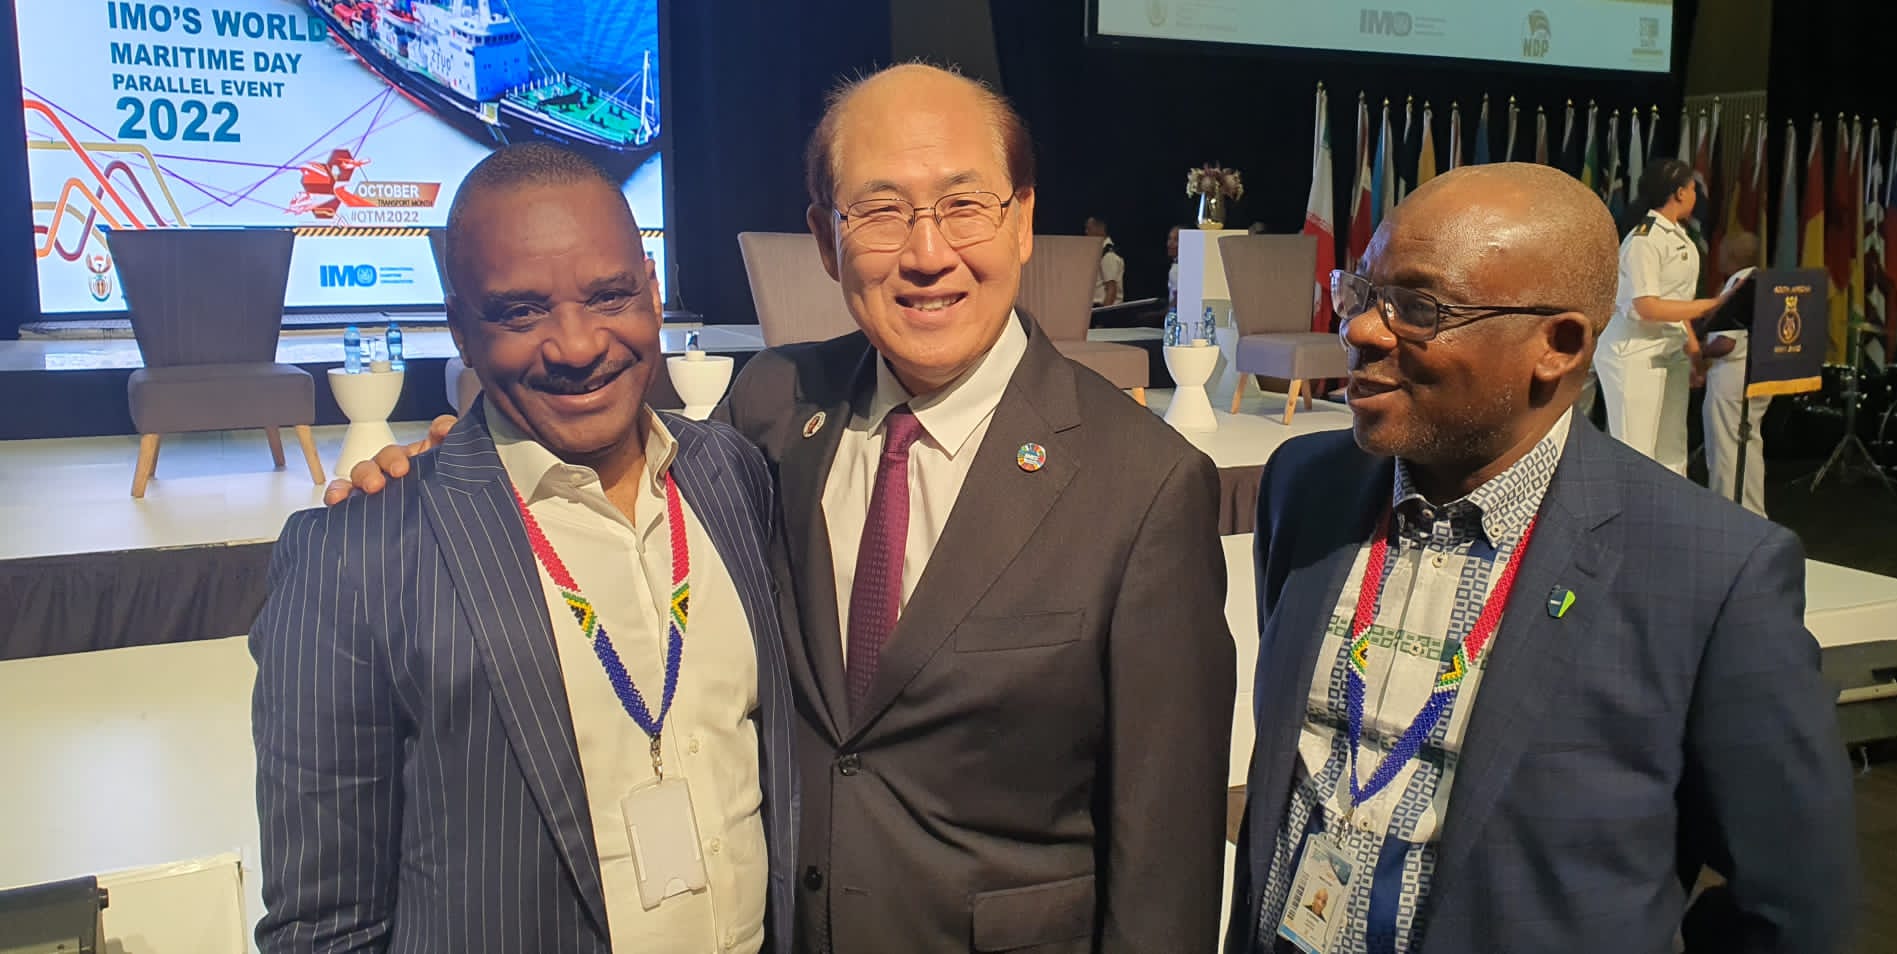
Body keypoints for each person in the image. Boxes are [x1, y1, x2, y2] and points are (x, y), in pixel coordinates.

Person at [330, 64, 1236, 954]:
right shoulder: (772, 409)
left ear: (1025, 219)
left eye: (965, 205)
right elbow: (611, 454)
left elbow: (1166, 867)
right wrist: (454, 460)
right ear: (823, 238)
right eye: (880, 212)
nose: (927, 254)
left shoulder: (1146, 488)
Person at [1227, 163, 1856, 954]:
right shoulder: (1305, 489)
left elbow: (1794, 907)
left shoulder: (1711, 578)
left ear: (1556, 347)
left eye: (1416, 307)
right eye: (1362, 292)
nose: (1361, 329)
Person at [254, 143, 799, 954]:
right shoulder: (354, 559)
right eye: (520, 313)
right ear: (461, 333)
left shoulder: (732, 475)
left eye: (610, 295)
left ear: (653, 294)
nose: (577, 347)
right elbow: (323, 928)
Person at [1594, 158, 1732, 475]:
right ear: (1680, 193)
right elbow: (1647, 307)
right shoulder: (1644, 239)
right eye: (1694, 189)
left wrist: (1694, 352)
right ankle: (1631, 523)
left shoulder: (1679, 236)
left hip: (1669, 353)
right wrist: (1710, 306)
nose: (1696, 196)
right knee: (1636, 450)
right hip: (1635, 355)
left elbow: (1676, 304)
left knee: (1671, 448)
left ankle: (1670, 519)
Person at [1699, 232, 1770, 516]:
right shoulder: (1764, 282)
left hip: (1732, 379)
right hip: (1760, 375)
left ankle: (1726, 513)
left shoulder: (1739, 285)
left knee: (1726, 450)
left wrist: (1693, 351)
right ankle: (1753, 512)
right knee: (1749, 446)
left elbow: (1725, 343)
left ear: (1730, 256)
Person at [1086, 215, 1125, 307]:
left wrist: (1103, 315)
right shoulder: (1100, 253)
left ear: (1099, 228)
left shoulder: (1108, 255)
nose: (1086, 232)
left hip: (1103, 309)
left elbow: (1111, 289)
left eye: (1089, 229)